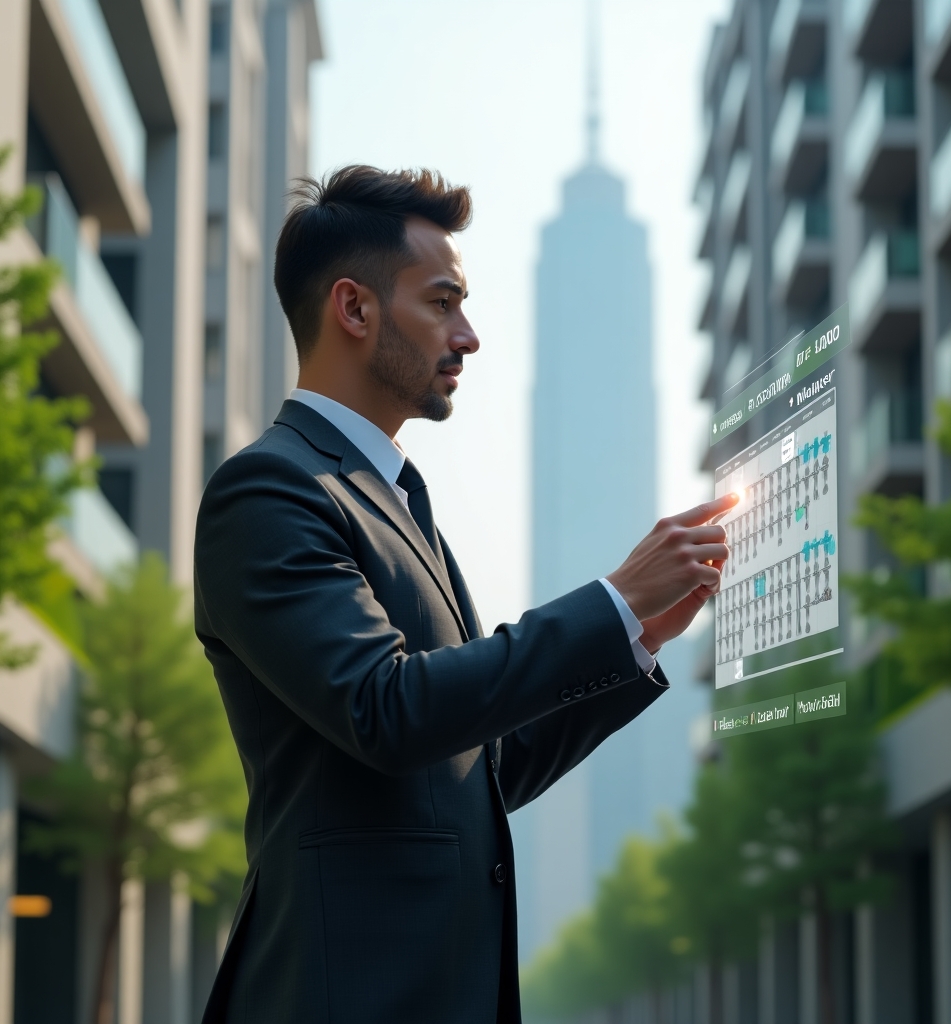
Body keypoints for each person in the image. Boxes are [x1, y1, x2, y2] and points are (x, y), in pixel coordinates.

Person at [194, 165, 736, 1024]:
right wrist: (611, 599)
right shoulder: (266, 492)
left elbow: (481, 770)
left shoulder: (400, 505)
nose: (469, 336)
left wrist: (638, 636)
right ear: (356, 309)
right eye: (443, 302)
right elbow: (387, 709)